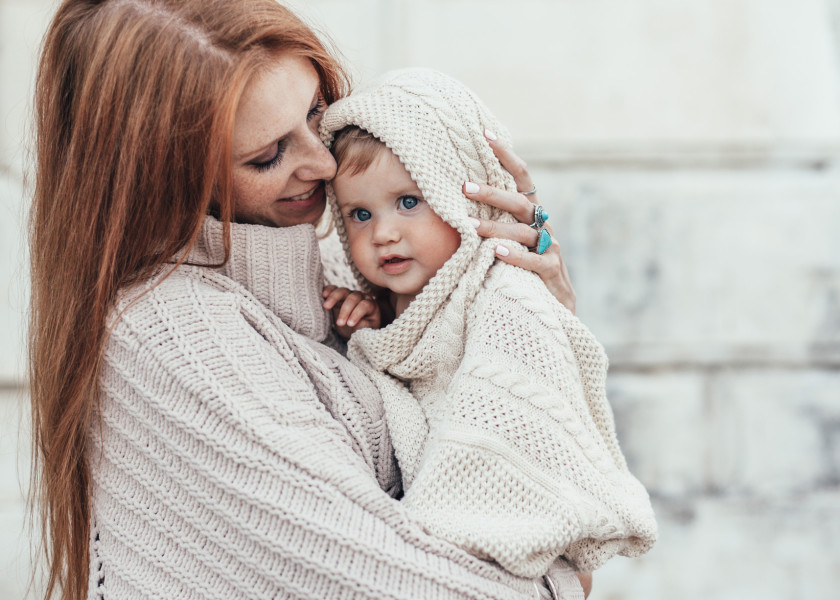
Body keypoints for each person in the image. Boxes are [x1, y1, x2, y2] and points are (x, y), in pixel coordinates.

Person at [29, 1, 590, 599]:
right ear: (164, 178)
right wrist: (560, 572)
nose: (323, 163)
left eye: (316, 110)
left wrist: (527, 307)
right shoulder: (174, 338)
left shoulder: (337, 270)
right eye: (267, 155)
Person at [319, 68, 657, 579]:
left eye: (409, 202)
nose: (383, 233)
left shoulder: (504, 291)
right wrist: (369, 328)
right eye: (359, 214)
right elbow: (402, 365)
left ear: (467, 201)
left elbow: (508, 412)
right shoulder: (391, 301)